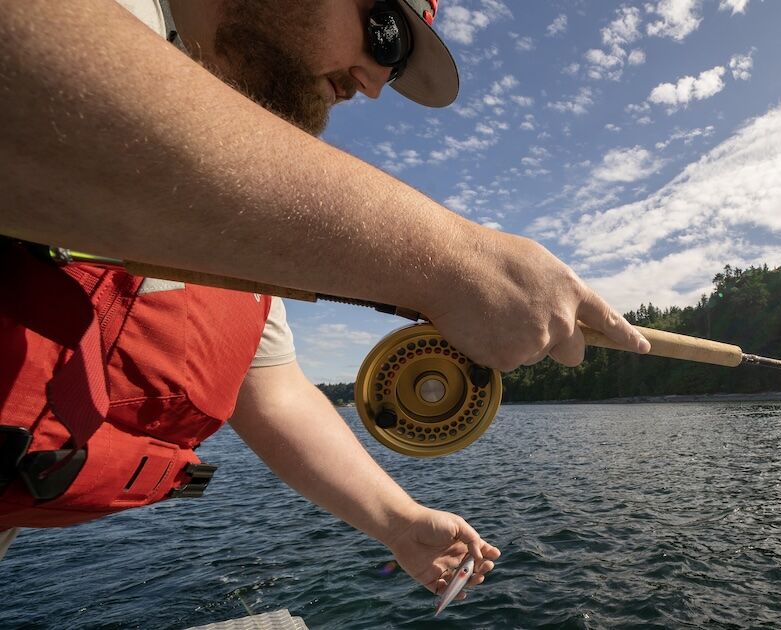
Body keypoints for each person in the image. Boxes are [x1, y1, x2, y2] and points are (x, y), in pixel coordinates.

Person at [0, 0, 651, 602]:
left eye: (390, 71)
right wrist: (450, 259)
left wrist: (398, 521)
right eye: (383, 33)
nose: (370, 83)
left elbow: (276, 393)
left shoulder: (234, 242)